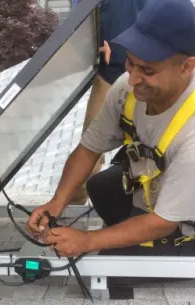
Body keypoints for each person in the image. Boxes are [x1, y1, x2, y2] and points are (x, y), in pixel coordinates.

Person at [27, 0, 195, 289]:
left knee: (108, 272)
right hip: (156, 190)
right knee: (100, 187)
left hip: (187, 219)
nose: (133, 78)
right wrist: (57, 202)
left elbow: (164, 221)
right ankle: (134, 235)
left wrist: (87, 240)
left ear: (186, 67)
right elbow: (89, 148)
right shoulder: (129, 88)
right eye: (131, 62)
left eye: (147, 70)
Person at [69, 0, 147, 204]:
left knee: (151, 145)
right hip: (110, 74)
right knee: (91, 143)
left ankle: (147, 209)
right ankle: (73, 207)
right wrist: (93, 40)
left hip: (150, 74)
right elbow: (81, 11)